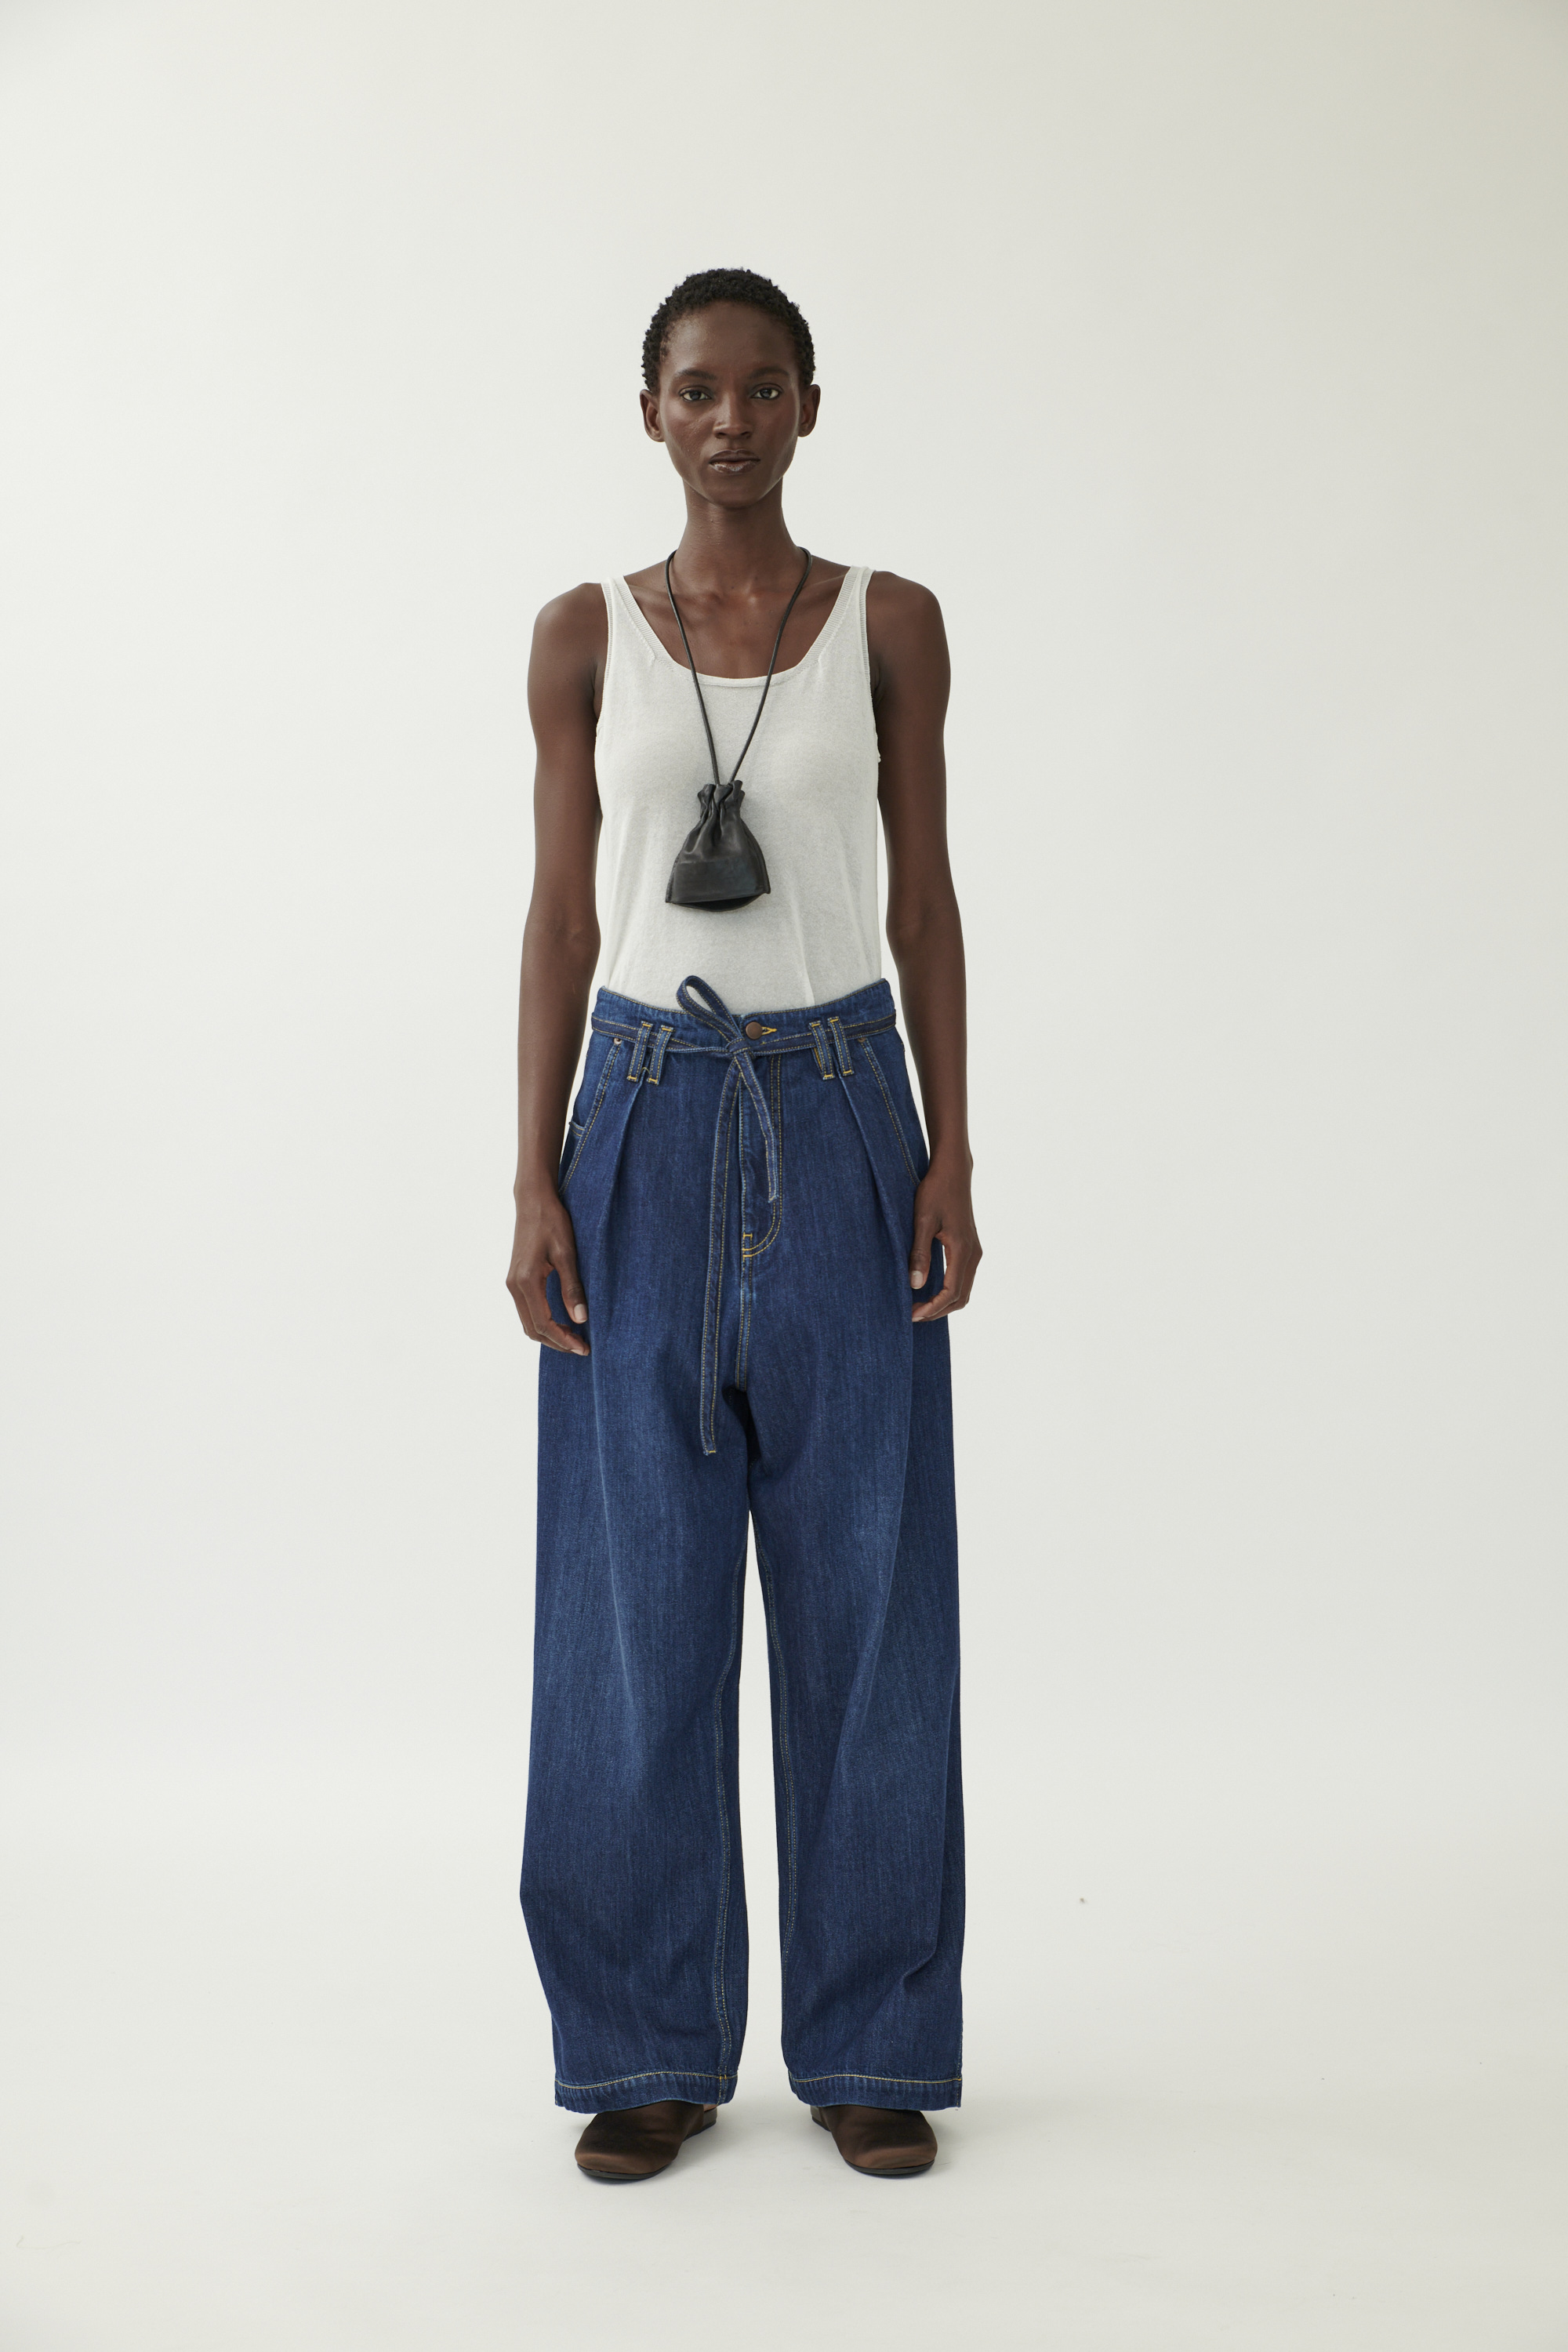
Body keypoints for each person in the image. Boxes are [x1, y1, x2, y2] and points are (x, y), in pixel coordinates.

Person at [508, 268, 981, 2183]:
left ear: (807, 407)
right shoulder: (578, 635)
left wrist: (950, 1151)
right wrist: (533, 1172)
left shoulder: (890, 624)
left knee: (871, 1589)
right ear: (649, 411)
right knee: (633, 1605)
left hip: (845, 1100)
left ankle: (873, 2041)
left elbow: (924, 897)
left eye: (763, 387)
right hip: (638, 1114)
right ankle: (644, 2044)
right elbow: (560, 913)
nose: (730, 420)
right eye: (697, 390)